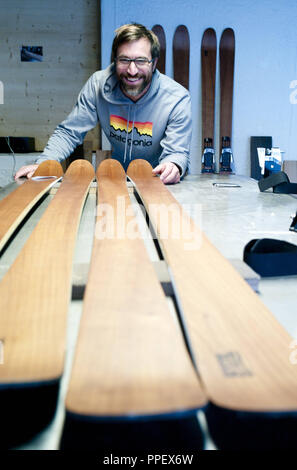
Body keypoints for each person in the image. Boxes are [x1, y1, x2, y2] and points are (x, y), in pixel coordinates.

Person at [15, 23, 192, 184]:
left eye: (140, 61)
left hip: (160, 181)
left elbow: (177, 152)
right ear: (114, 61)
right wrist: (44, 164)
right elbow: (69, 132)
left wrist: (173, 165)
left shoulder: (177, 98)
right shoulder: (97, 85)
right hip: (120, 179)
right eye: (124, 60)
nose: (132, 70)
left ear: (153, 64)